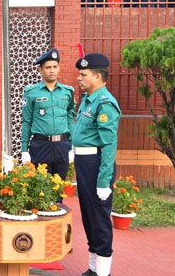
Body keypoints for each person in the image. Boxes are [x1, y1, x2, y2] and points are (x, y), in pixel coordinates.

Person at [72, 53, 121, 276]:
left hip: (96, 166)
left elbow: (109, 147)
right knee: (89, 218)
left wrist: (103, 182)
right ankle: (93, 269)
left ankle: (103, 273)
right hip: (85, 164)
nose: (79, 78)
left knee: (100, 220)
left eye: (84, 74)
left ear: (98, 77)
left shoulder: (105, 104)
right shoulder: (88, 100)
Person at [20, 49, 76, 184]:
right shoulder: (31, 92)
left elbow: (70, 119)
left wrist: (73, 146)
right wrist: (24, 150)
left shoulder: (68, 92)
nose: (52, 71)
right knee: (41, 186)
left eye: (55, 67)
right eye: (48, 67)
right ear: (40, 70)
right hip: (41, 145)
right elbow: (26, 122)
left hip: (62, 145)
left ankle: (58, 205)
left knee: (59, 185)